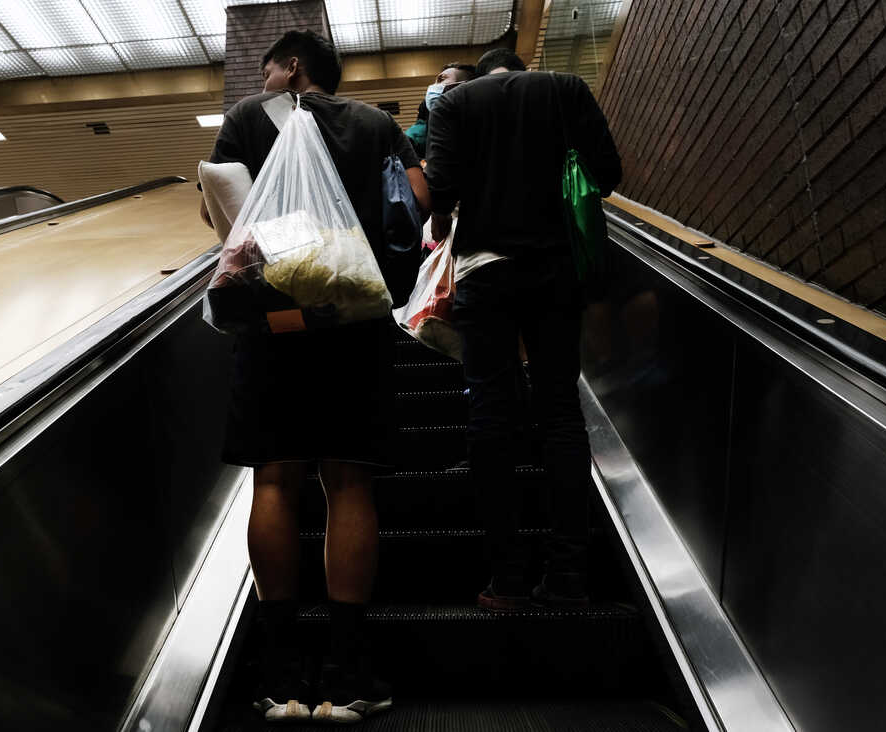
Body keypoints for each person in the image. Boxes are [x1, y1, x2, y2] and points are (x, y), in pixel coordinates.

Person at [204, 31, 429, 723]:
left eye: (270, 65)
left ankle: (280, 675)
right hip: (354, 322)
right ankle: (352, 669)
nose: (266, 77)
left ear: (291, 65)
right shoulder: (375, 123)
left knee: (274, 478)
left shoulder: (249, 117)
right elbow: (415, 204)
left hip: (274, 328)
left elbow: (220, 217)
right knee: (348, 479)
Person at [424, 48, 621, 610]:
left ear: (485, 73)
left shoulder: (457, 101)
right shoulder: (566, 88)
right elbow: (607, 175)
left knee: (492, 411)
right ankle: (567, 578)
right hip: (559, 271)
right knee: (559, 410)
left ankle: (507, 580)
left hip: (486, 270)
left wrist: (446, 220)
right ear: (521, 68)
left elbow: (440, 188)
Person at [404, 62, 477, 160]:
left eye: (441, 79)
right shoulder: (414, 138)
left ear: (462, 87)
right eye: (435, 81)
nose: (433, 86)